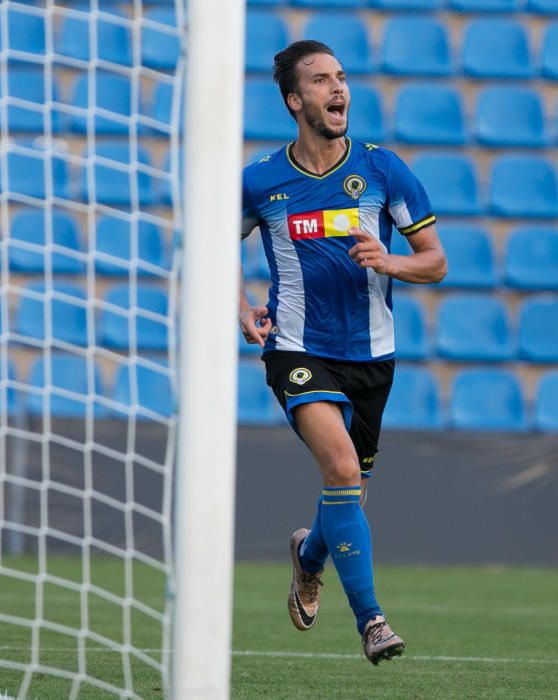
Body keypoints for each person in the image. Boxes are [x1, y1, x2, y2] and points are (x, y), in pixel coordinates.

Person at [239, 40, 447, 664]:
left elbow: (435, 261)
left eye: (342, 78)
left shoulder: (383, 170)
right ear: (293, 100)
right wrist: (241, 304)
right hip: (297, 346)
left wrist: (391, 261)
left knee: (347, 488)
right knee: (342, 469)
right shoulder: (261, 182)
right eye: (322, 81)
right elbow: (207, 242)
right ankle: (373, 621)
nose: (338, 90)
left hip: (373, 357)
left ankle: (308, 558)